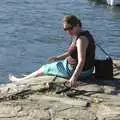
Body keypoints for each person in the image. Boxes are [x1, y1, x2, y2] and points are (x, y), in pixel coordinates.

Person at [9, 15, 96, 86]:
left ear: (77, 25)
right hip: (87, 70)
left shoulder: (81, 40)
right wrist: (58, 57)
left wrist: (74, 78)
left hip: (77, 71)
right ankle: (30, 76)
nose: (68, 32)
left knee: (44, 68)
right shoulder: (84, 34)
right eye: (65, 29)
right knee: (53, 65)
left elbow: (81, 61)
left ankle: (19, 81)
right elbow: (72, 53)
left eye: (70, 28)